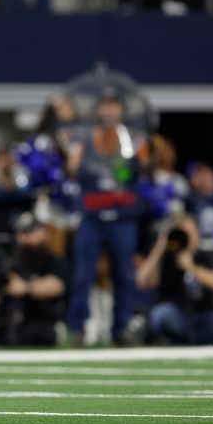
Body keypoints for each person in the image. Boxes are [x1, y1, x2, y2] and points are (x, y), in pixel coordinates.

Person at [65, 94, 148, 346]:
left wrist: (133, 161)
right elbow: (71, 169)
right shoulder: (85, 138)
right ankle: (77, 329)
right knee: (83, 274)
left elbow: (145, 165)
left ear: (121, 110)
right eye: (105, 105)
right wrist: (74, 161)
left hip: (122, 215)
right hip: (92, 215)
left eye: (114, 106)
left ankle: (120, 329)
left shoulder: (132, 138)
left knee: (123, 274)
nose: (109, 111)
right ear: (98, 110)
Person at [136, 215, 213, 344]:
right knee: (163, 315)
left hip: (203, 314)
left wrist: (191, 267)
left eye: (193, 231)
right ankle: (192, 339)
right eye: (185, 233)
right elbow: (142, 281)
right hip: (176, 312)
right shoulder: (166, 257)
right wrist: (159, 248)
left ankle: (186, 340)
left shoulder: (204, 256)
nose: (190, 237)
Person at [0, 212, 67, 346]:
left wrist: (26, 288)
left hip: (42, 321)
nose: (24, 237)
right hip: (9, 323)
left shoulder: (51, 259)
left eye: (29, 231)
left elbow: (57, 286)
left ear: (42, 232)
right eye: (21, 232)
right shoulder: (9, 259)